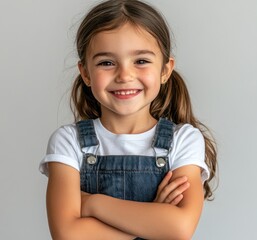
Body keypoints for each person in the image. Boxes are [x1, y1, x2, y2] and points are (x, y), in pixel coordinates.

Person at [39, 0, 217, 239]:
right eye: (107, 63)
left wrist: (92, 204)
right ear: (85, 73)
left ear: (165, 70)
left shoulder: (183, 139)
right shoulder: (68, 142)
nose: (124, 75)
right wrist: (152, 217)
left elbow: (179, 228)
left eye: (141, 61)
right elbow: (68, 235)